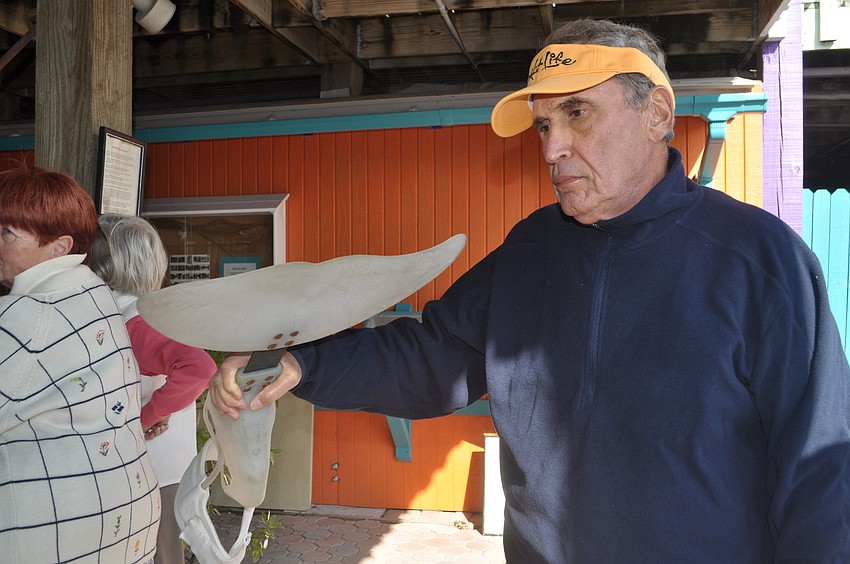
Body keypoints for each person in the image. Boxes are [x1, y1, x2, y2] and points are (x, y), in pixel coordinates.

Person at [209, 19, 850, 562]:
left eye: (577, 113)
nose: (553, 147)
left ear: (656, 112)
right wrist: (303, 363)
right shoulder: (531, 251)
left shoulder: (757, 261)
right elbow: (435, 354)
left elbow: (821, 470)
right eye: (544, 125)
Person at [0, 166, 160, 562]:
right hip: (123, 509)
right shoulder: (95, 294)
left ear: (59, 246)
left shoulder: (28, 315)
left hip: (55, 524)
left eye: (7, 233)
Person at [89, 214, 217, 564]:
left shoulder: (136, 322)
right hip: (165, 467)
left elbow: (199, 369)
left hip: (153, 472)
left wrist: (145, 418)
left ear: (103, 262)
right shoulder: (153, 312)